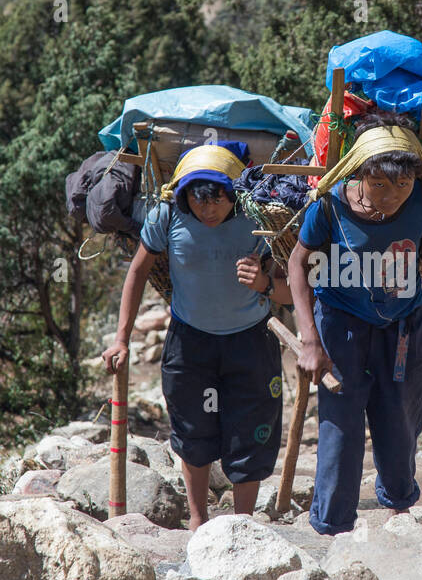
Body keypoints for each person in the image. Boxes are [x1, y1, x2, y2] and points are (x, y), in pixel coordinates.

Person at [287, 113, 422, 535]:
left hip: (404, 328)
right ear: (360, 173)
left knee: (400, 421)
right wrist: (309, 339)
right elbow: (299, 263)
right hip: (342, 328)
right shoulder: (329, 203)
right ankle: (332, 529)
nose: (393, 196)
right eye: (380, 184)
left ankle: (399, 514)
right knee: (340, 429)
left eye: (402, 185)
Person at [102, 142, 292, 526]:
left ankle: (243, 525)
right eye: (198, 199)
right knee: (194, 430)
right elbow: (138, 271)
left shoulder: (258, 220)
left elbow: (295, 288)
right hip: (191, 345)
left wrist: (266, 286)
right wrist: (122, 337)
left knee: (249, 432)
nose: (207, 209)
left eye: (217, 199)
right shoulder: (166, 216)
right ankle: (197, 521)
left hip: (250, 343)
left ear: (234, 194)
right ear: (185, 195)